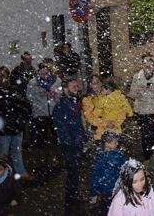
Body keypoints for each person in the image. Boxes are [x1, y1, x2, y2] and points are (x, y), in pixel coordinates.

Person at [0, 66, 33, 180]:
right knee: (2, 155)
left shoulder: (15, 91)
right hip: (3, 132)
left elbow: (26, 107)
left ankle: (21, 173)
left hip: (16, 128)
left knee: (17, 152)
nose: (1, 79)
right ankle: (1, 176)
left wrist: (22, 122)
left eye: (3, 75)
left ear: (8, 76)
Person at [52, 77, 87, 214]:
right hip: (70, 145)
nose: (76, 89)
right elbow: (61, 129)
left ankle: (74, 196)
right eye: (73, 87)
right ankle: (70, 201)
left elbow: (77, 123)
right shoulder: (61, 106)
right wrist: (72, 142)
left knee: (76, 172)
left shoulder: (73, 101)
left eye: (76, 87)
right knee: (72, 173)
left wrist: (82, 138)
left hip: (76, 143)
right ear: (65, 89)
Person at [129, 55, 154, 160]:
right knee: (144, 135)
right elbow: (132, 94)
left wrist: (153, 90)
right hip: (141, 110)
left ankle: (153, 156)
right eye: (145, 64)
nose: (148, 66)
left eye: (150, 64)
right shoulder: (137, 76)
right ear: (142, 64)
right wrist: (140, 92)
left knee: (153, 134)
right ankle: (147, 157)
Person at [89, 131, 126, 216]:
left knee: (106, 208)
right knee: (116, 207)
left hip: (105, 189)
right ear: (107, 143)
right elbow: (124, 170)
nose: (117, 144)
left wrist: (93, 192)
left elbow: (95, 176)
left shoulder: (100, 157)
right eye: (115, 142)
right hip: (116, 188)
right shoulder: (119, 155)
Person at [26, 62, 61, 147]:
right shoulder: (33, 83)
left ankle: (57, 151)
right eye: (41, 73)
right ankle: (42, 153)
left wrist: (55, 94)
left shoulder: (57, 81)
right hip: (40, 113)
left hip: (54, 112)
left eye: (46, 73)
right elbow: (29, 97)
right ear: (38, 72)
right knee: (41, 137)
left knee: (56, 135)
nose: (44, 75)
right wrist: (39, 97)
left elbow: (61, 95)